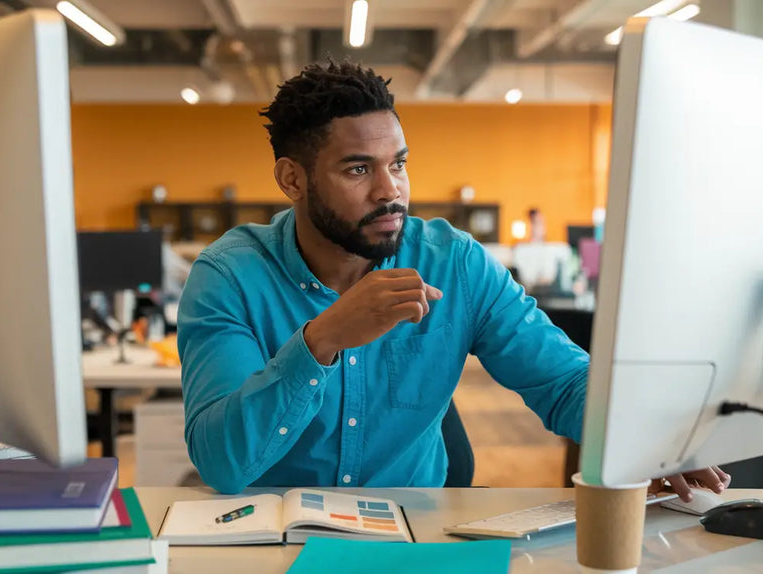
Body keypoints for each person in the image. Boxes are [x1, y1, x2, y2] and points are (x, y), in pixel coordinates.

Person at [176, 59, 729, 499]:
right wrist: (323, 341)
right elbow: (223, 464)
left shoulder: (455, 263)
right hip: (271, 538)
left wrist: (654, 438)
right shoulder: (229, 276)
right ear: (291, 179)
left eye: (399, 163)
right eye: (358, 168)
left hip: (417, 534)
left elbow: (563, 382)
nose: (389, 190)